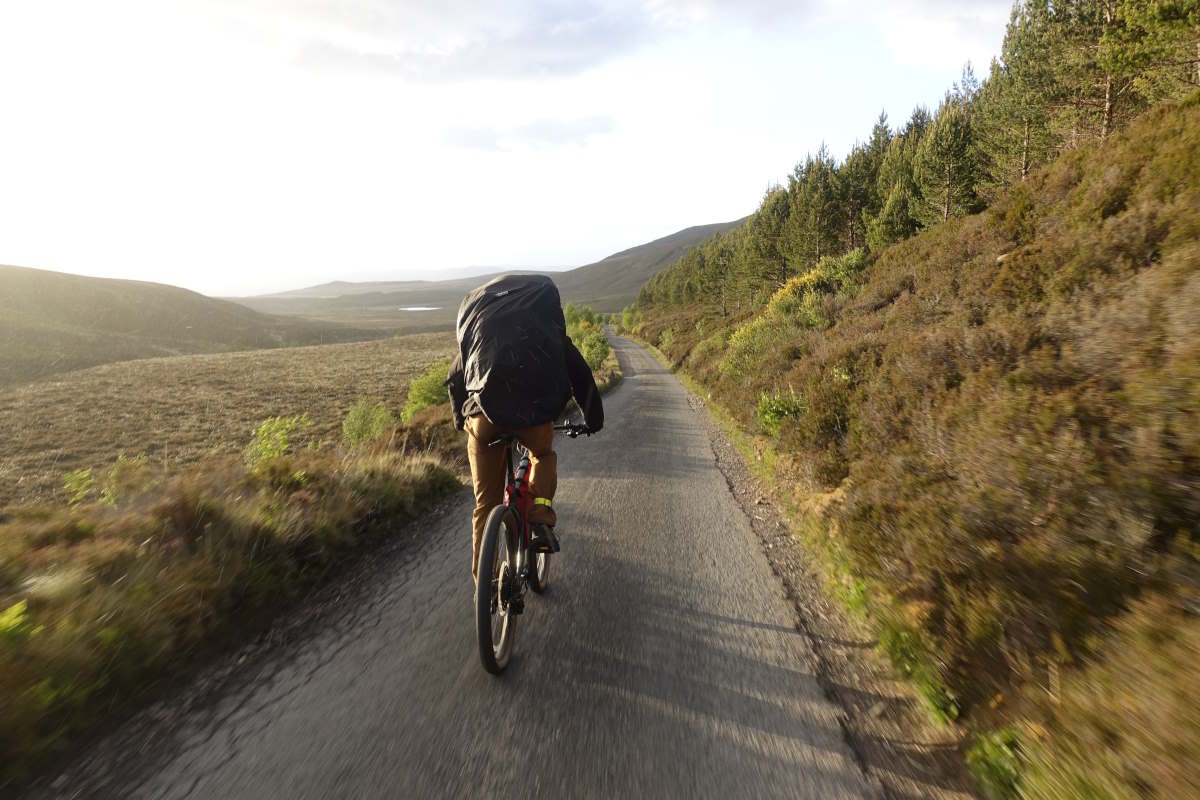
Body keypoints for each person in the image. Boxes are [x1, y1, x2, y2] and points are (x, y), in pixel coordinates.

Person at [446, 274, 604, 580]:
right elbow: (580, 373)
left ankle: (485, 587)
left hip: (484, 420)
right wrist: (593, 419)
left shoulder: (479, 337)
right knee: (542, 456)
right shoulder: (547, 329)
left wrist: (459, 420)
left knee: (485, 505)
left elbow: (455, 379)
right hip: (533, 417)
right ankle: (541, 516)